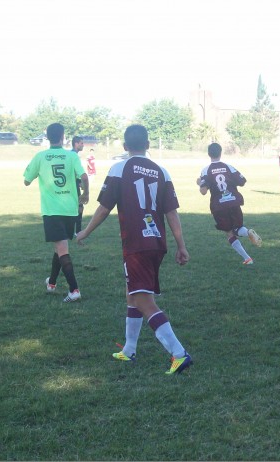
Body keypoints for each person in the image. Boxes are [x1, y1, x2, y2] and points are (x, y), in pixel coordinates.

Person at [76, 124, 192, 374]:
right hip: (156, 242)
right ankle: (129, 350)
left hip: (137, 244)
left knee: (143, 300)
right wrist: (181, 245)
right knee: (132, 293)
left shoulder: (119, 169)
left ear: (125, 146)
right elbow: (171, 212)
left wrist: (85, 232)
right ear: (148, 145)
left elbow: (104, 208)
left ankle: (179, 354)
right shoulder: (162, 171)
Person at [23, 123, 89, 302]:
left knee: (62, 249)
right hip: (70, 210)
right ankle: (51, 283)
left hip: (52, 211)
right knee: (60, 247)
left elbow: (26, 181)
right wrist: (86, 194)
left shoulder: (40, 156)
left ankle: (74, 290)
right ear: (63, 136)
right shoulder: (71, 156)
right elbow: (84, 177)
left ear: (47, 137)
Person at [197, 142, 262, 265]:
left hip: (219, 206)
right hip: (233, 202)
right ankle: (247, 232)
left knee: (229, 232)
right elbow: (242, 181)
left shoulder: (206, 170)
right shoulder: (228, 167)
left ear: (208, 154)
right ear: (221, 153)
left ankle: (247, 258)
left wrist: (200, 183)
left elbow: (203, 191)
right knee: (238, 228)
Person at [71, 136, 85, 235]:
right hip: (73, 185)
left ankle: (76, 231)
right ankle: (77, 231)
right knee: (79, 207)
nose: (83, 145)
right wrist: (80, 182)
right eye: (81, 143)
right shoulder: (73, 155)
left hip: (75, 183)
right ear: (76, 144)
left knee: (77, 207)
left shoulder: (71, 154)